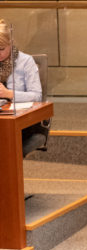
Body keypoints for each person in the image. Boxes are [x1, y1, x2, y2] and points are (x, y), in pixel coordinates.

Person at [0, 18, 45, 155]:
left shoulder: (26, 61)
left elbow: (37, 95)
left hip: (22, 121)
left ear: (11, 44)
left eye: (1, 49)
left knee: (6, 145)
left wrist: (10, 94)